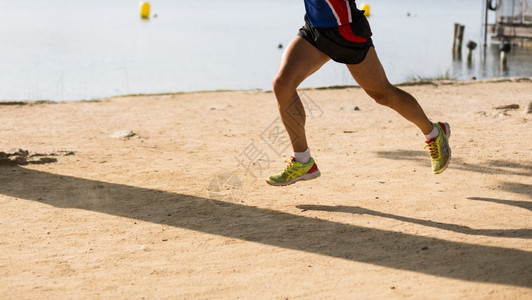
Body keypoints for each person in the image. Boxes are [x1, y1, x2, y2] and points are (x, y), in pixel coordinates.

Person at [266, 0, 451, 186]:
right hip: (316, 29)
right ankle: (302, 160)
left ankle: (434, 132)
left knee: (383, 94)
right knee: (282, 84)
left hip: (347, 32)